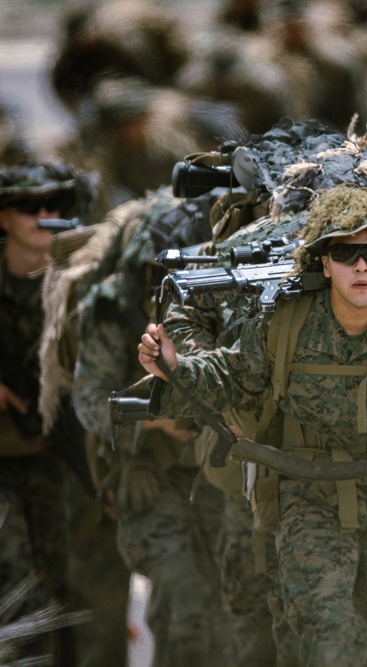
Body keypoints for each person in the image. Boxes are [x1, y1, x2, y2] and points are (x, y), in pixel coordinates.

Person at [138, 183, 367, 665]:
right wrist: (174, 366)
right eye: (345, 251)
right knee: (325, 636)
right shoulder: (284, 323)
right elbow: (231, 378)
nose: (360, 266)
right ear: (324, 263)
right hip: (309, 496)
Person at [72, 187, 228, 666]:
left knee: (229, 612)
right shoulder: (114, 310)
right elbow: (89, 400)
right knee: (184, 603)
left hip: (220, 481)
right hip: (150, 479)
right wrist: (156, 424)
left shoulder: (223, 300)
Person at [0, 162, 91, 662]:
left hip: (59, 456)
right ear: (4, 219)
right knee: (14, 576)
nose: (45, 216)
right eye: (30, 207)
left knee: (65, 587)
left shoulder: (77, 289)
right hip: (4, 460)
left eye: (53, 207)